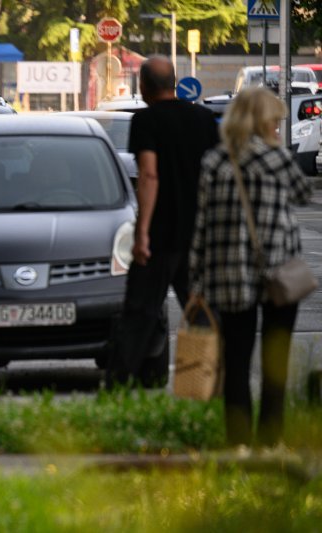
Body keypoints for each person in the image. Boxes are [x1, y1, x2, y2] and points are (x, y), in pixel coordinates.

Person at [190, 87, 312, 447]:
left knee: (237, 363)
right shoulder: (277, 159)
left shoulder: (214, 161)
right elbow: (304, 194)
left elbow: (202, 224)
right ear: (261, 122)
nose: (278, 128)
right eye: (275, 121)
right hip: (279, 274)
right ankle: (271, 441)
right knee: (275, 362)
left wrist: (195, 277)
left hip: (230, 276)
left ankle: (238, 444)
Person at [105, 55, 219, 387]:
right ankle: (203, 385)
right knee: (200, 314)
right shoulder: (203, 119)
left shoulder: (146, 121)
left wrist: (142, 233)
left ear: (144, 86)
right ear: (173, 83)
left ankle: (118, 386)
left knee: (139, 313)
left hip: (160, 237)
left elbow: (150, 176)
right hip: (197, 236)